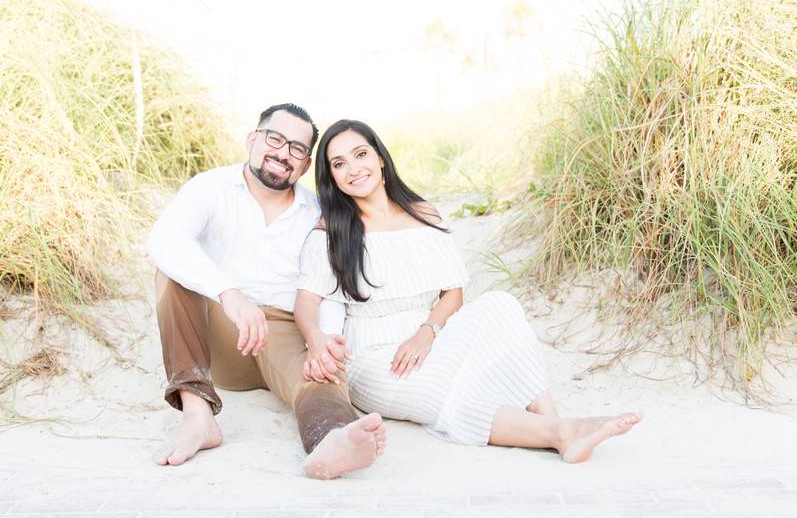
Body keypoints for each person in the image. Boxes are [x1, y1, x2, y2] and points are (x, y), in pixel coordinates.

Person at [294, 119, 643, 462]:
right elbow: (306, 301)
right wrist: (316, 338)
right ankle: (560, 434)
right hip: (374, 357)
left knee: (500, 304)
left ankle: (554, 421)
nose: (353, 168)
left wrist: (426, 333)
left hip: (430, 335)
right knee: (448, 392)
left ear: (380, 158)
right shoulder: (332, 231)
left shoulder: (424, 215)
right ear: (332, 178)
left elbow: (453, 293)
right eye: (339, 164)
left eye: (360, 154)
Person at [146, 104, 386, 478]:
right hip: (224, 332)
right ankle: (198, 416)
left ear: (306, 165)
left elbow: (329, 283)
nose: (282, 153)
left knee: (322, 373)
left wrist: (323, 340)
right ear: (253, 140)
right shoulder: (212, 187)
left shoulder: (316, 210)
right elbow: (165, 239)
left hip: (286, 332)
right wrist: (228, 292)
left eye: (297, 149)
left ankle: (333, 439)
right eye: (275, 139)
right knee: (174, 276)